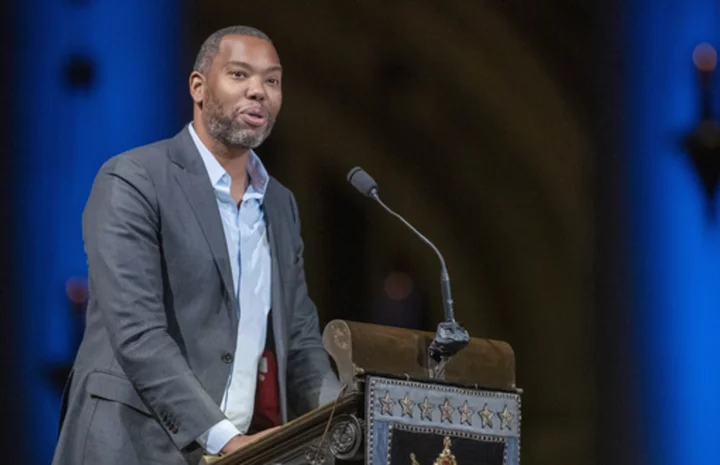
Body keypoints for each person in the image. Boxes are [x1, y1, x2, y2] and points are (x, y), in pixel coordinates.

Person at [51, 25, 341, 465]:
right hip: (128, 447)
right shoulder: (133, 178)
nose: (258, 92)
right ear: (199, 87)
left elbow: (299, 339)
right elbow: (136, 331)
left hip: (235, 453)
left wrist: (341, 426)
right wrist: (223, 438)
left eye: (272, 80)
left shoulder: (279, 204)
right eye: (240, 75)